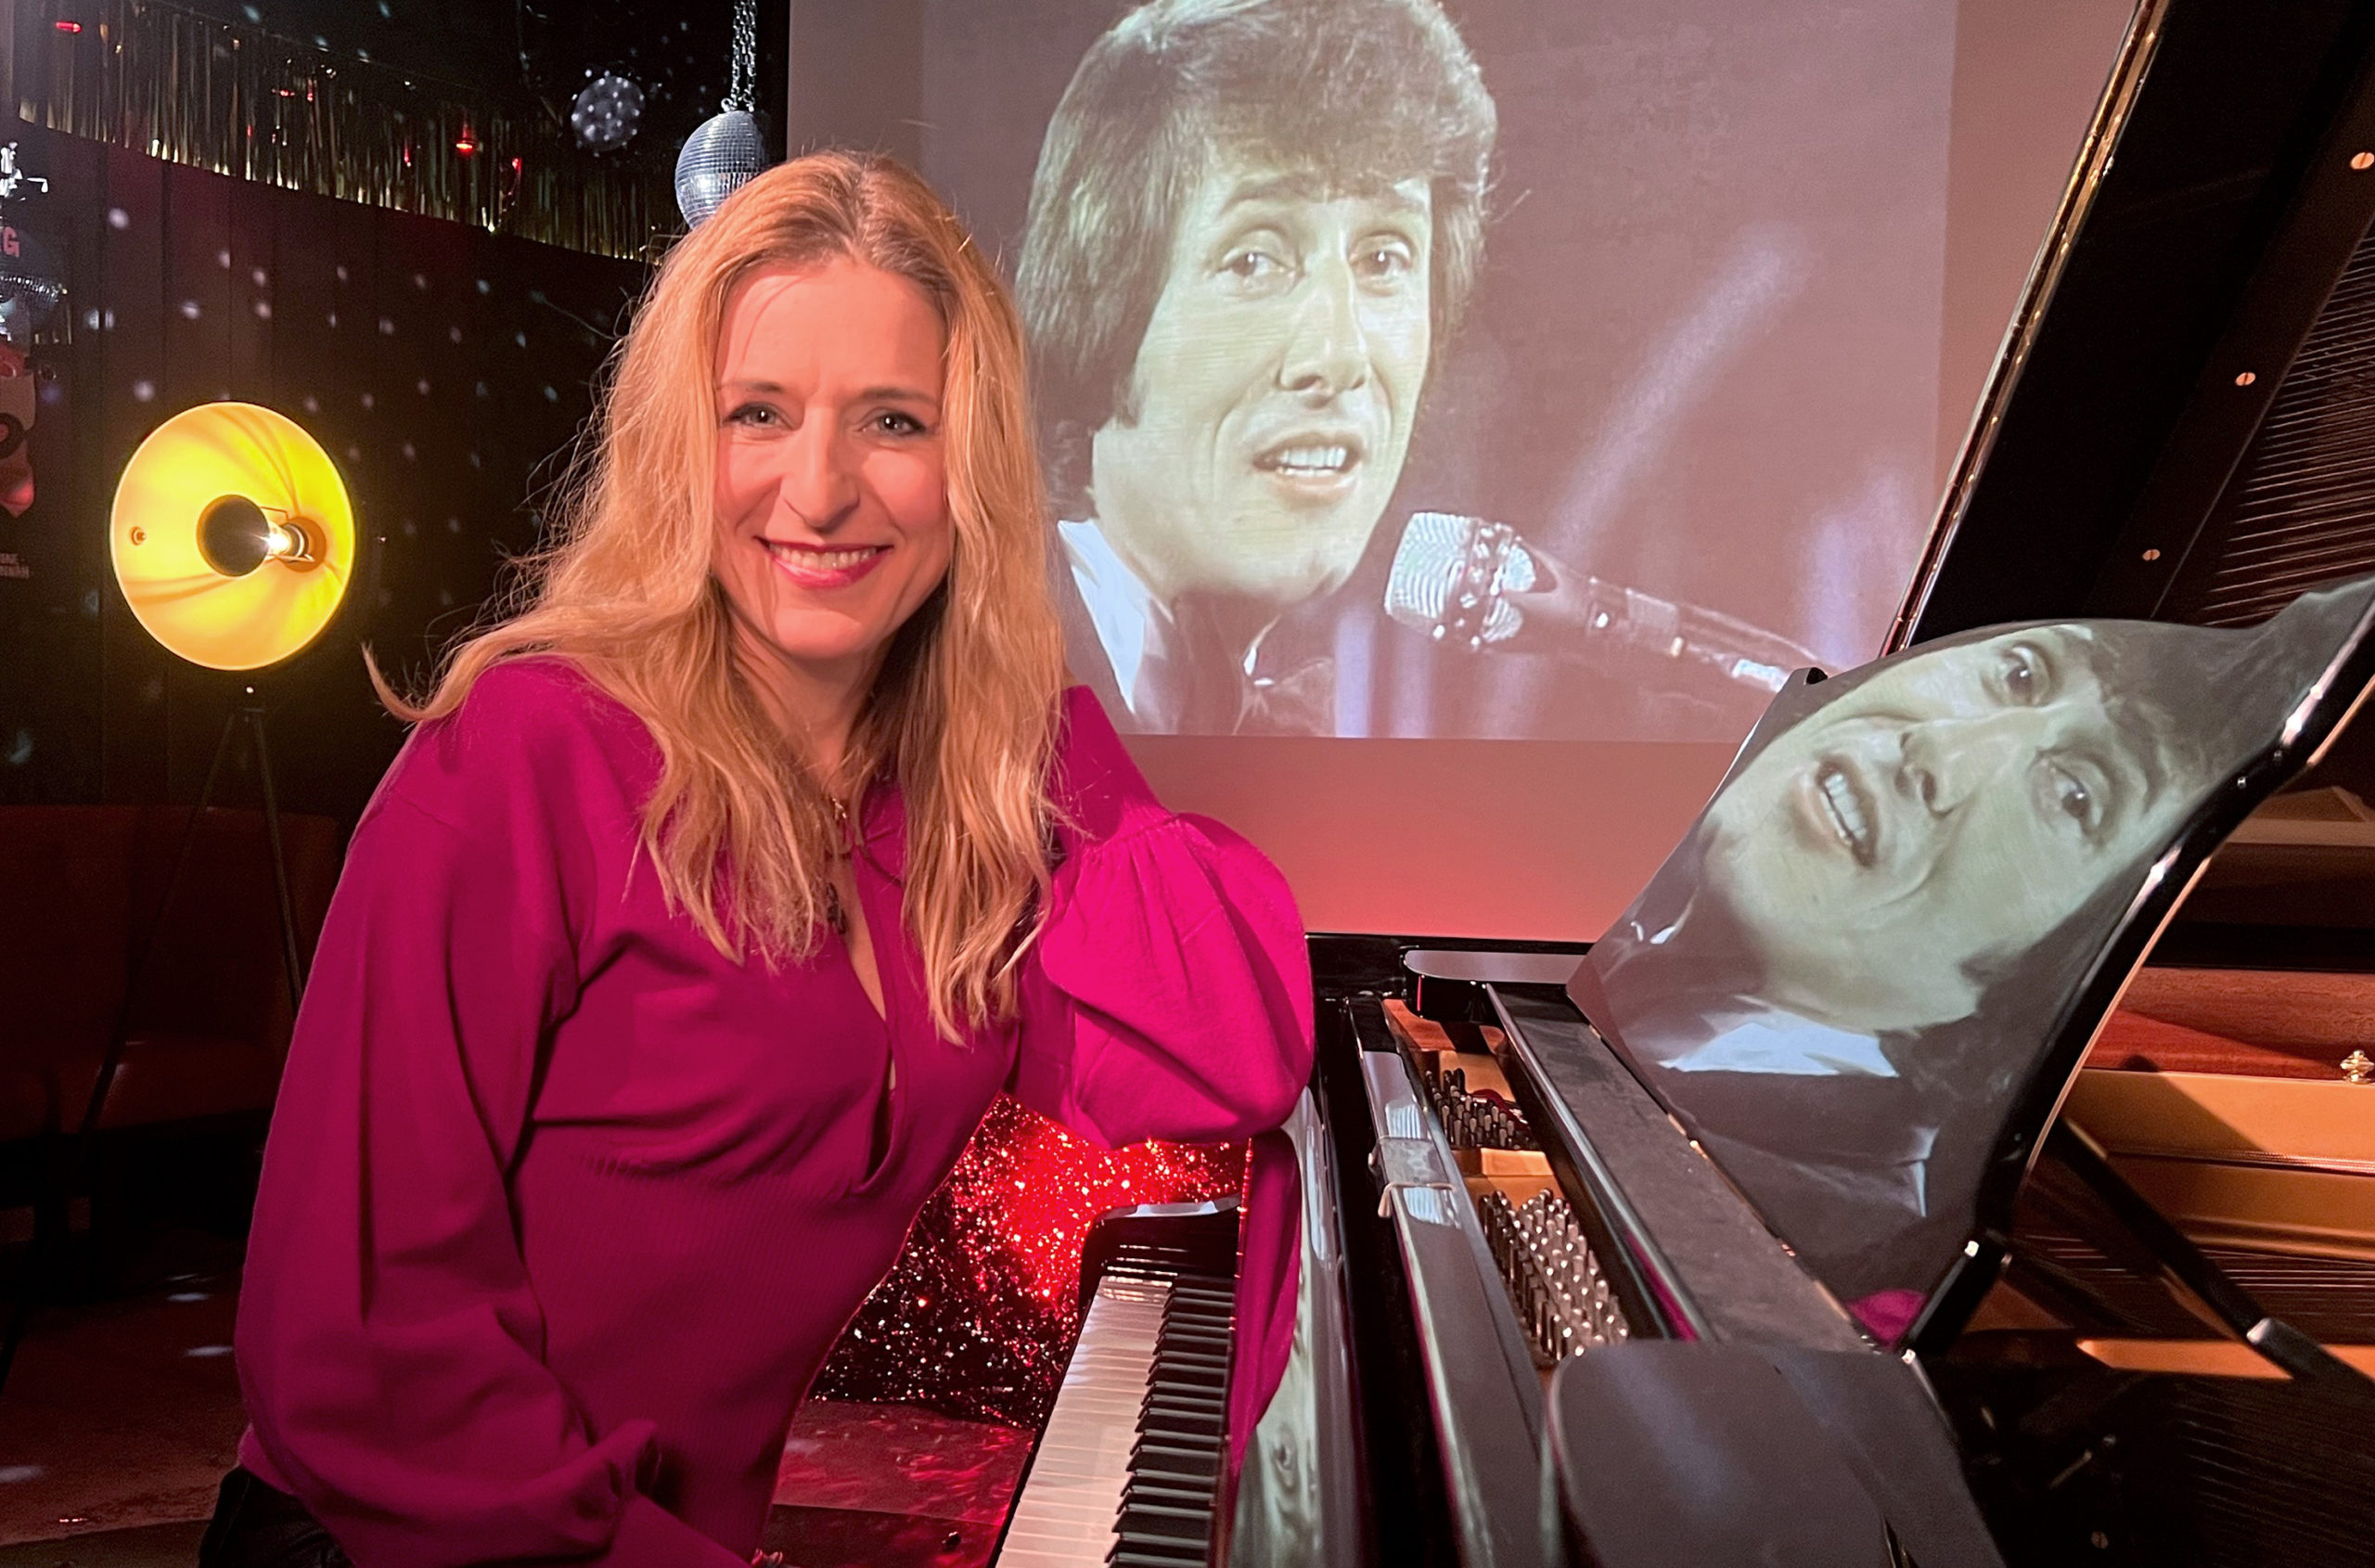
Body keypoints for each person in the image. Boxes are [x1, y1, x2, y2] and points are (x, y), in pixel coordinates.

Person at [201, 153, 1313, 1567]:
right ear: (684, 445)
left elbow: (1233, 1041)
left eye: (895, 421)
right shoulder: (525, 753)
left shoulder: (963, 813)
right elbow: (354, 1353)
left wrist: (1019, 710)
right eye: (759, 414)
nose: (822, 487)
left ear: (968, 470)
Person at [1583, 582, 2375, 1319]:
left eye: (2074, 794)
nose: (1936, 751)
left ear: (2036, 975)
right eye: (2022, 674)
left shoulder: (1850, 1260)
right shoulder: (1630, 995)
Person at [1016, 0, 1496, 734]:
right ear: (1098, 300)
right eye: (1254, 261)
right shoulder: (946, 677)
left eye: (1383, 258)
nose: (1338, 356)